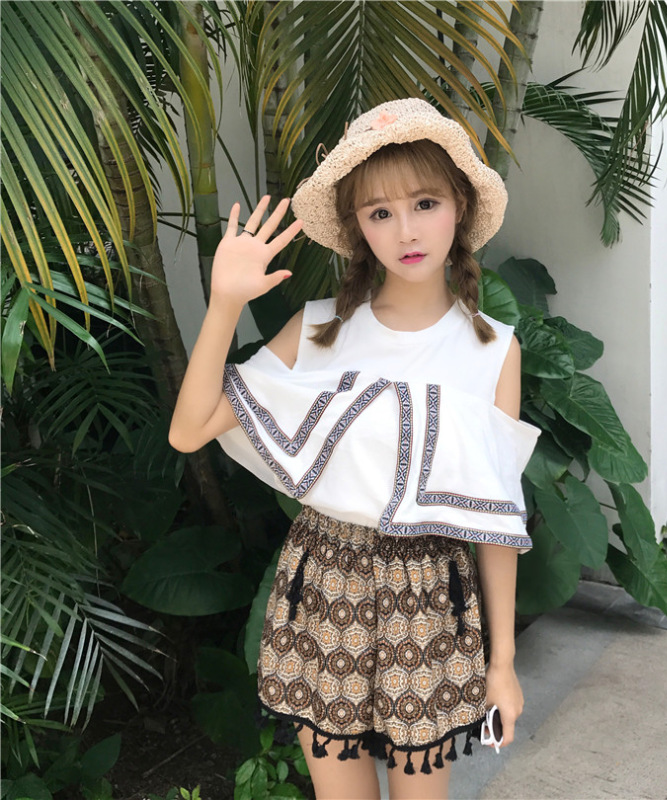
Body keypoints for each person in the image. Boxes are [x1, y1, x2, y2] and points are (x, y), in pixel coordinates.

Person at [170, 98, 541, 800]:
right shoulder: (319, 331)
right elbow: (190, 431)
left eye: (425, 203)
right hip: (322, 586)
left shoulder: (494, 349)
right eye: (379, 212)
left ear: (459, 206)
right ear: (357, 228)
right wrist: (223, 304)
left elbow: (494, 517)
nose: (406, 230)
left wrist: (503, 662)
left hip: (430, 597)